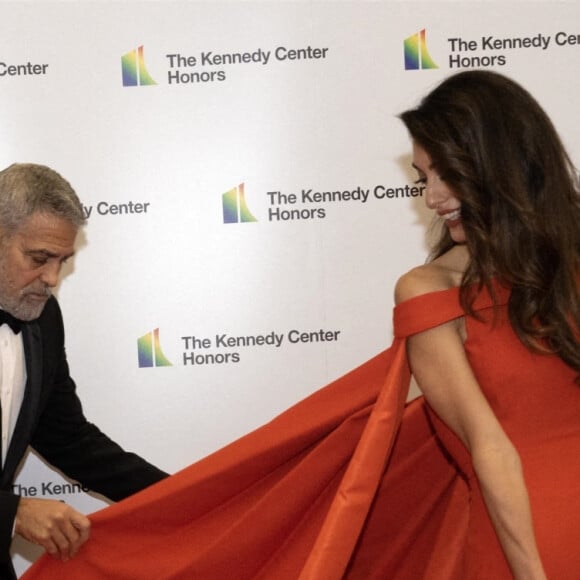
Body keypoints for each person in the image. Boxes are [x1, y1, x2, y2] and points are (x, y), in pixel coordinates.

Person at [22, 71, 579, 579]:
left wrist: (197, 507)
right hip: (525, 541)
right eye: (422, 177)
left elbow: (70, 440)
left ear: (498, 162)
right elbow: (491, 449)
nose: (431, 198)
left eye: (444, 175)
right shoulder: (431, 290)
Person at [0, 163, 168, 579]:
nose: (53, 279)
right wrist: (11, 513)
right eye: (39, 258)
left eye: (62, 260)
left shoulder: (42, 316)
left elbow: (69, 439)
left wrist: (183, 496)